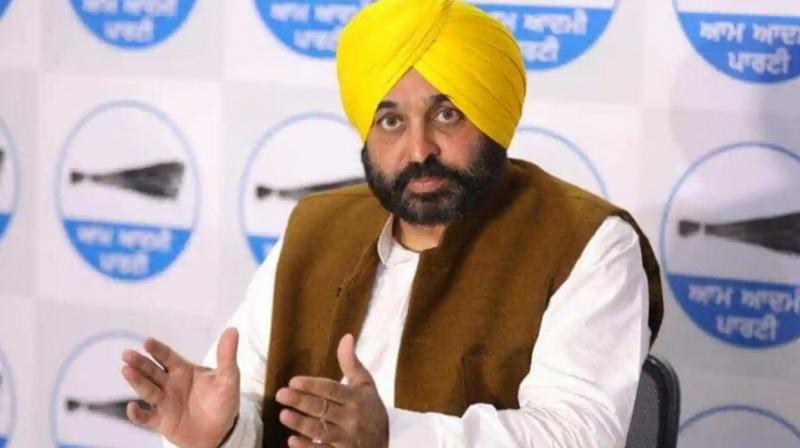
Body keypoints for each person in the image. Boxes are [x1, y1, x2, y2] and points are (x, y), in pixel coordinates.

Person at [120, 0, 663, 447]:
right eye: (391, 120)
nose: (419, 148)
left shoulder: (586, 242)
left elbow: (579, 435)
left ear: (493, 115)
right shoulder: (314, 230)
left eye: (447, 114)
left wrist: (392, 436)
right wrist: (221, 434)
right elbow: (252, 409)